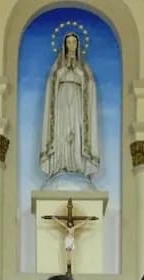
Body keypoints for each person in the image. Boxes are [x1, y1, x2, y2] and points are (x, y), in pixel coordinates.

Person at [40, 32, 99, 183]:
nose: (71, 45)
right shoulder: (58, 64)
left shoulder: (83, 66)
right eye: (69, 42)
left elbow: (91, 83)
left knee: (77, 129)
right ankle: (61, 163)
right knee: (61, 129)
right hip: (61, 101)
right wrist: (63, 71)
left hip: (78, 102)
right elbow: (51, 82)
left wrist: (79, 73)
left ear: (78, 45)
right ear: (64, 45)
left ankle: (77, 164)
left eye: (74, 42)